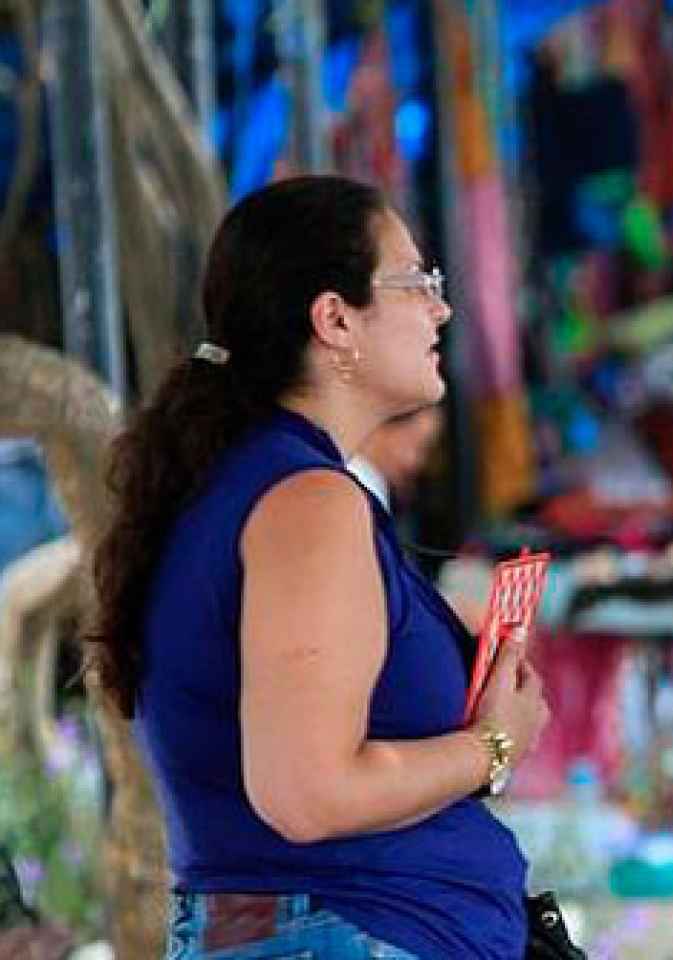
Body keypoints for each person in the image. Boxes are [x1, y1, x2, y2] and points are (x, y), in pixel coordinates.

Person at [87, 175, 550, 959]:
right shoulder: (305, 501)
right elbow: (308, 795)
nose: (439, 308)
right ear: (335, 319)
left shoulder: (261, 481)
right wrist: (492, 747)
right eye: (415, 282)